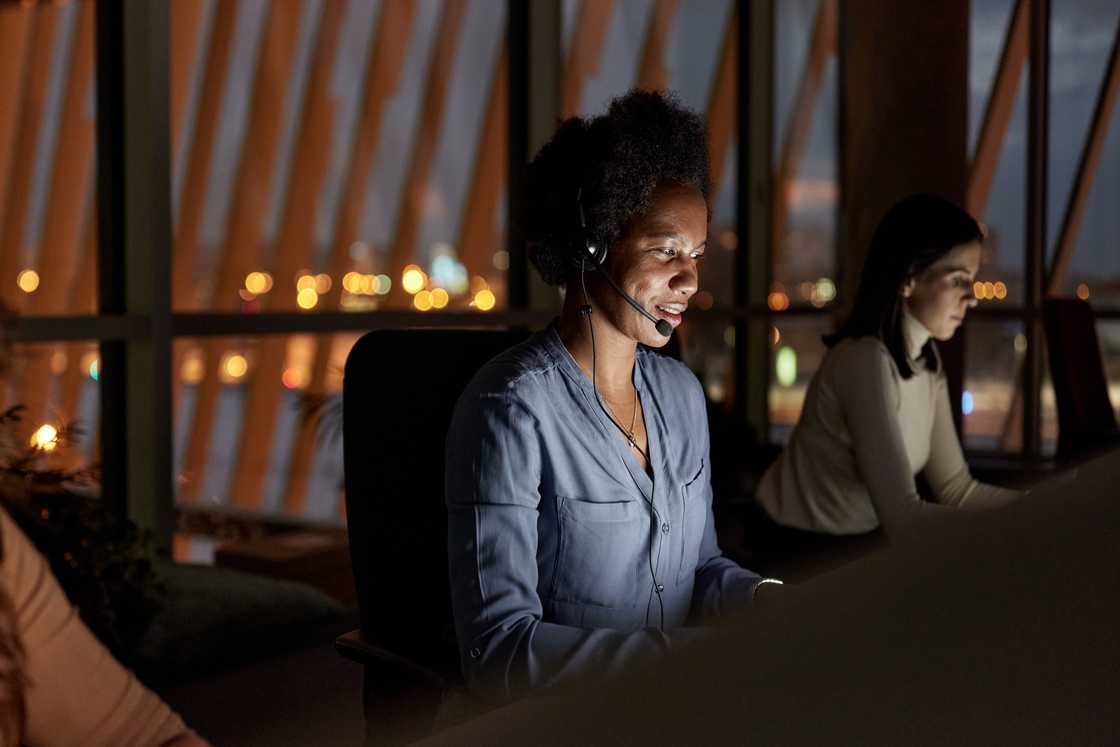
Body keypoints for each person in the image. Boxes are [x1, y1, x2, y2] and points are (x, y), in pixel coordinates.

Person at [445, 91, 777, 704]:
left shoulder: (680, 396)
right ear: (590, 247)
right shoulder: (510, 410)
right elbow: (498, 651)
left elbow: (701, 571)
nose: (691, 281)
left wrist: (766, 598)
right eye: (665, 250)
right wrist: (688, 660)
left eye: (697, 256)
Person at [754, 193, 1021, 542]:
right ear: (909, 279)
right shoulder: (864, 360)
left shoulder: (926, 360)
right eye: (958, 280)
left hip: (847, 547)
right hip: (794, 547)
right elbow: (903, 517)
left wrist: (1043, 507)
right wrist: (1022, 525)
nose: (971, 297)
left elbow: (957, 488)